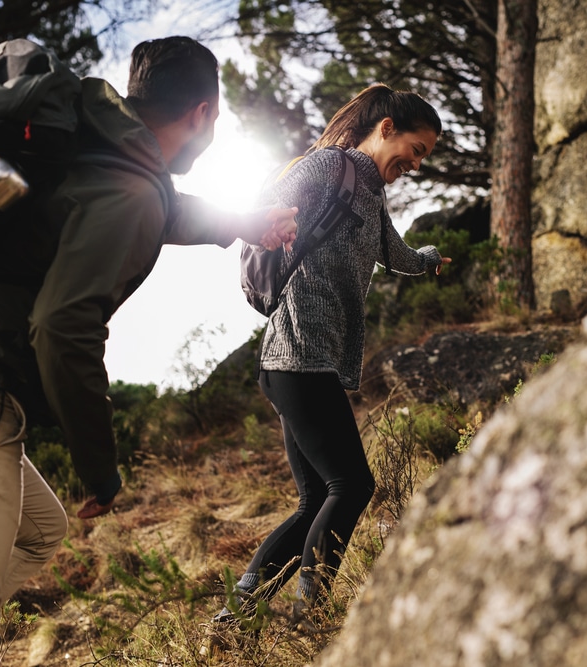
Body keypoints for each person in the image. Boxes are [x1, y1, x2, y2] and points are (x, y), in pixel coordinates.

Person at [0, 36, 296, 667]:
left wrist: (244, 222)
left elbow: (156, 210)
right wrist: (101, 468)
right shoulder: (129, 182)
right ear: (203, 113)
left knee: (41, 531)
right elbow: (64, 327)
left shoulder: (89, 145)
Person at [216, 83, 450, 625]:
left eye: (424, 158)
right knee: (353, 485)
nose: (416, 164)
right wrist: (273, 230)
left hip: (305, 360)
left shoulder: (370, 190)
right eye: (415, 150)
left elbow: (392, 251)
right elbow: (262, 211)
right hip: (298, 352)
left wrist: (431, 258)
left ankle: (234, 617)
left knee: (317, 497)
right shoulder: (327, 167)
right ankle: (308, 617)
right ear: (386, 129)